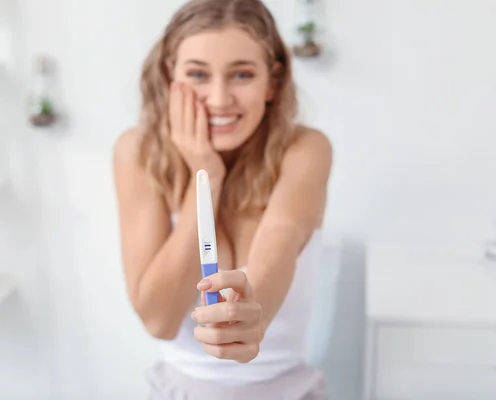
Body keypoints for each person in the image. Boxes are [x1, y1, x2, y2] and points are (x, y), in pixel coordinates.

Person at [113, 0, 333, 398]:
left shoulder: (305, 150)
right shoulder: (137, 153)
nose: (218, 99)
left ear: (272, 81)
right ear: (169, 75)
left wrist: (250, 316)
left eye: (242, 74)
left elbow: (279, 246)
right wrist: (206, 177)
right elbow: (158, 320)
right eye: (198, 74)